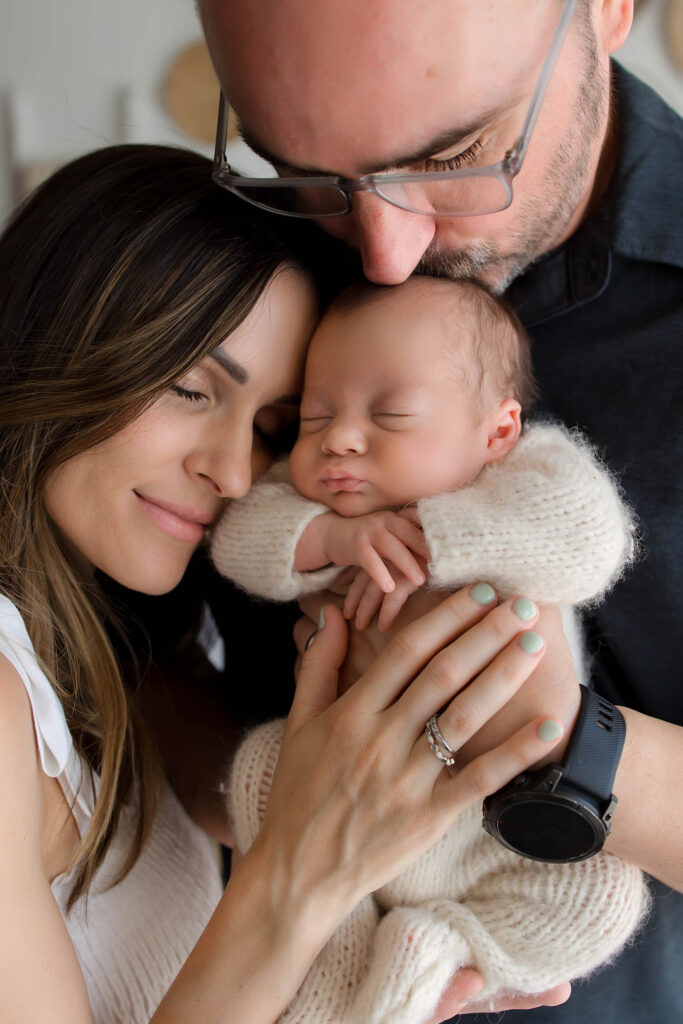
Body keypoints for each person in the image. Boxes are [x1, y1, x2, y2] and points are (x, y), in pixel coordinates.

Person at [0, 142, 575, 1024]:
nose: (235, 473)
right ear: (52, 337)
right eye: (191, 390)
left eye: (272, 426)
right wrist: (299, 878)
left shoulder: (118, 649)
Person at [197, 0, 683, 1019]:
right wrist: (292, 845)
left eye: (456, 155)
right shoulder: (243, 243)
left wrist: (557, 744)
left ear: (606, 10)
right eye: (302, 171)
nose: (382, 253)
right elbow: (119, 642)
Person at [210, 274, 648, 1023]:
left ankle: (436, 951)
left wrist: (433, 537)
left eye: (391, 415)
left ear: (497, 433)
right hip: (335, 809)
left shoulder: (529, 473)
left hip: (498, 832)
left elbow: (590, 541)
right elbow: (237, 540)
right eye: (315, 417)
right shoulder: (312, 501)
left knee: (606, 895)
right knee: (258, 769)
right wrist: (330, 537)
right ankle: (335, 978)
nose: (340, 438)